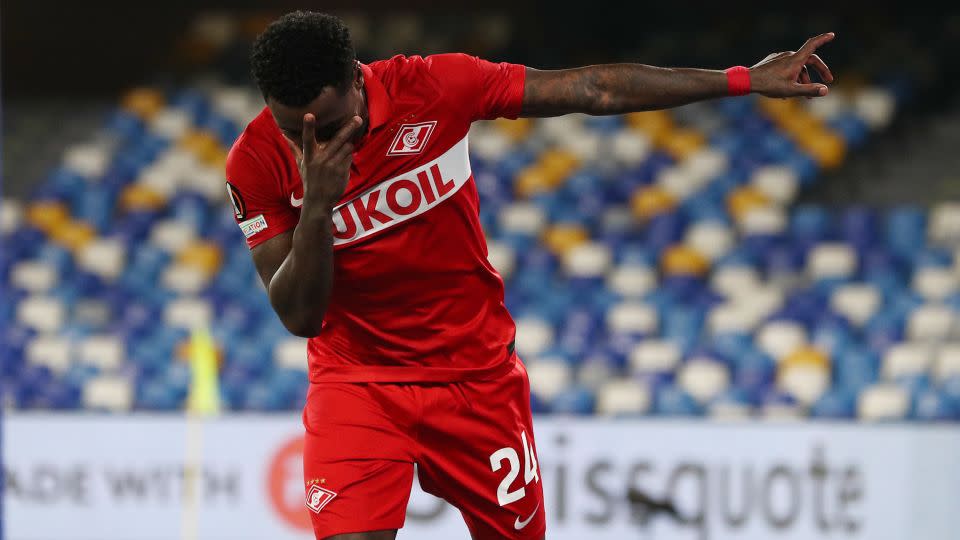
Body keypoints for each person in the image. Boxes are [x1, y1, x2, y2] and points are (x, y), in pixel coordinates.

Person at [225, 11, 834, 540]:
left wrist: (743, 79)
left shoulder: (437, 86)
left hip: (477, 378)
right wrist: (317, 207)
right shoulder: (254, 163)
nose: (315, 144)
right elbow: (300, 316)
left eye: (329, 128)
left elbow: (591, 89)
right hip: (359, 384)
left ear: (358, 79)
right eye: (293, 130)